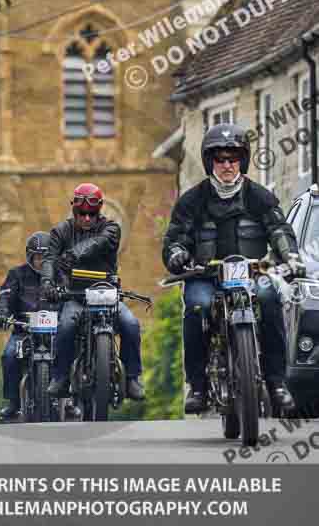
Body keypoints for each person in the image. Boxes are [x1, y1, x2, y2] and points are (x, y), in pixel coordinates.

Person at [162, 123, 302, 414]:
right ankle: (197, 385)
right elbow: (177, 237)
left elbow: (279, 230)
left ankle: (277, 383)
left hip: (253, 274)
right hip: (206, 276)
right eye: (220, 159)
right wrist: (176, 254)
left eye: (233, 158)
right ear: (209, 161)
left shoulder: (259, 196)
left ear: (243, 159)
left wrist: (291, 257)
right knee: (197, 306)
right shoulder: (192, 200)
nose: (227, 164)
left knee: (269, 299)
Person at [42, 183, 144, 401]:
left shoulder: (112, 228)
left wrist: (75, 253)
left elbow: (102, 241)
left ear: (99, 211)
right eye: (82, 214)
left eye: (92, 214)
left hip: (107, 294)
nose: (87, 218)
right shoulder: (60, 232)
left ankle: (133, 378)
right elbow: (49, 259)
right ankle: (60, 378)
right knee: (66, 325)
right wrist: (48, 283)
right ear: (74, 210)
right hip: (76, 296)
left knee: (131, 324)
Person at [0, 231, 51, 420]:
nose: (41, 261)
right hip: (23, 331)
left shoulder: (60, 276)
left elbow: (69, 297)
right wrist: (1, 314)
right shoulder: (16, 275)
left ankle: (70, 397)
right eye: (38, 257)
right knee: (9, 355)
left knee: (70, 349)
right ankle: (13, 402)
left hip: (54, 332)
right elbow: (5, 296)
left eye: (46, 257)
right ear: (30, 256)